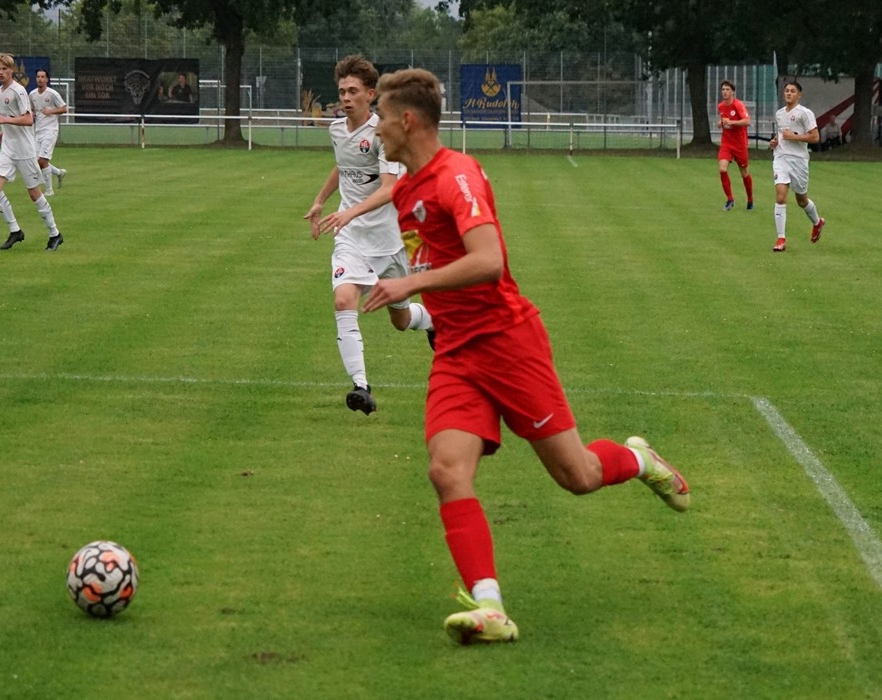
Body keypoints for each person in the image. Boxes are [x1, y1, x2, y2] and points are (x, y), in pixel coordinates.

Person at [363, 68, 691, 645]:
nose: (376, 130)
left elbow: (488, 260)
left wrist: (411, 285)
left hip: (508, 343)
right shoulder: (408, 189)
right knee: (446, 470)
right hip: (456, 353)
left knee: (578, 476)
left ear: (408, 121)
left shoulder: (457, 175)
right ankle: (490, 608)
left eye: (382, 118)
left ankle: (639, 460)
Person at [303, 55, 434, 415]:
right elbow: (343, 166)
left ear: (370, 94)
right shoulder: (336, 130)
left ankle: (432, 322)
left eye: (353, 91)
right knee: (344, 299)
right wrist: (320, 201)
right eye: (342, 91)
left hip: (391, 240)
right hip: (352, 239)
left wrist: (349, 211)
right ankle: (361, 387)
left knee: (400, 321)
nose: (345, 97)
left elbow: (391, 189)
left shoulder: (383, 134)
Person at [0, 53, 64, 252]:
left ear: (12, 70)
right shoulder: (0, 91)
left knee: (34, 193)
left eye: (4, 69)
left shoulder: (19, 91)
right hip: (8, 149)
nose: (1, 72)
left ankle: (55, 234)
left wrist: (5, 120)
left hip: (24, 150)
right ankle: (15, 230)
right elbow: (10, 118)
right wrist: (3, 132)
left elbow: (28, 119)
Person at [768, 81, 825, 252]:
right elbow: (781, 135)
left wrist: (794, 137)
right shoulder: (779, 114)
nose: (789, 93)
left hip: (799, 160)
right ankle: (781, 239)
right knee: (780, 196)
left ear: (799, 95)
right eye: (786, 90)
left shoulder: (805, 113)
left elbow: (815, 137)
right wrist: (774, 142)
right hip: (780, 158)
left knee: (801, 200)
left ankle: (817, 222)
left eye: (792, 91)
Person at [29, 69, 68, 196]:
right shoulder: (32, 94)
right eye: (38, 77)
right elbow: (32, 110)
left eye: (42, 77)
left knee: (42, 161)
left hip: (50, 131)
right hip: (38, 131)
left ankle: (49, 190)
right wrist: (32, 114)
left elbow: (64, 109)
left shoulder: (52, 94)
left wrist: (51, 111)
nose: (40, 79)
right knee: (36, 162)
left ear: (47, 79)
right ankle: (59, 173)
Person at [716, 79, 753, 211]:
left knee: (744, 172)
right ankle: (730, 199)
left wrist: (731, 122)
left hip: (739, 144)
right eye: (723, 89)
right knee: (722, 169)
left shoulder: (738, 105)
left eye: (727, 89)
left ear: (732, 92)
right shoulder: (720, 106)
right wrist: (720, 123)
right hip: (726, 143)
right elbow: (723, 121)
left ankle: (750, 200)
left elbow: (747, 121)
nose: (725, 92)